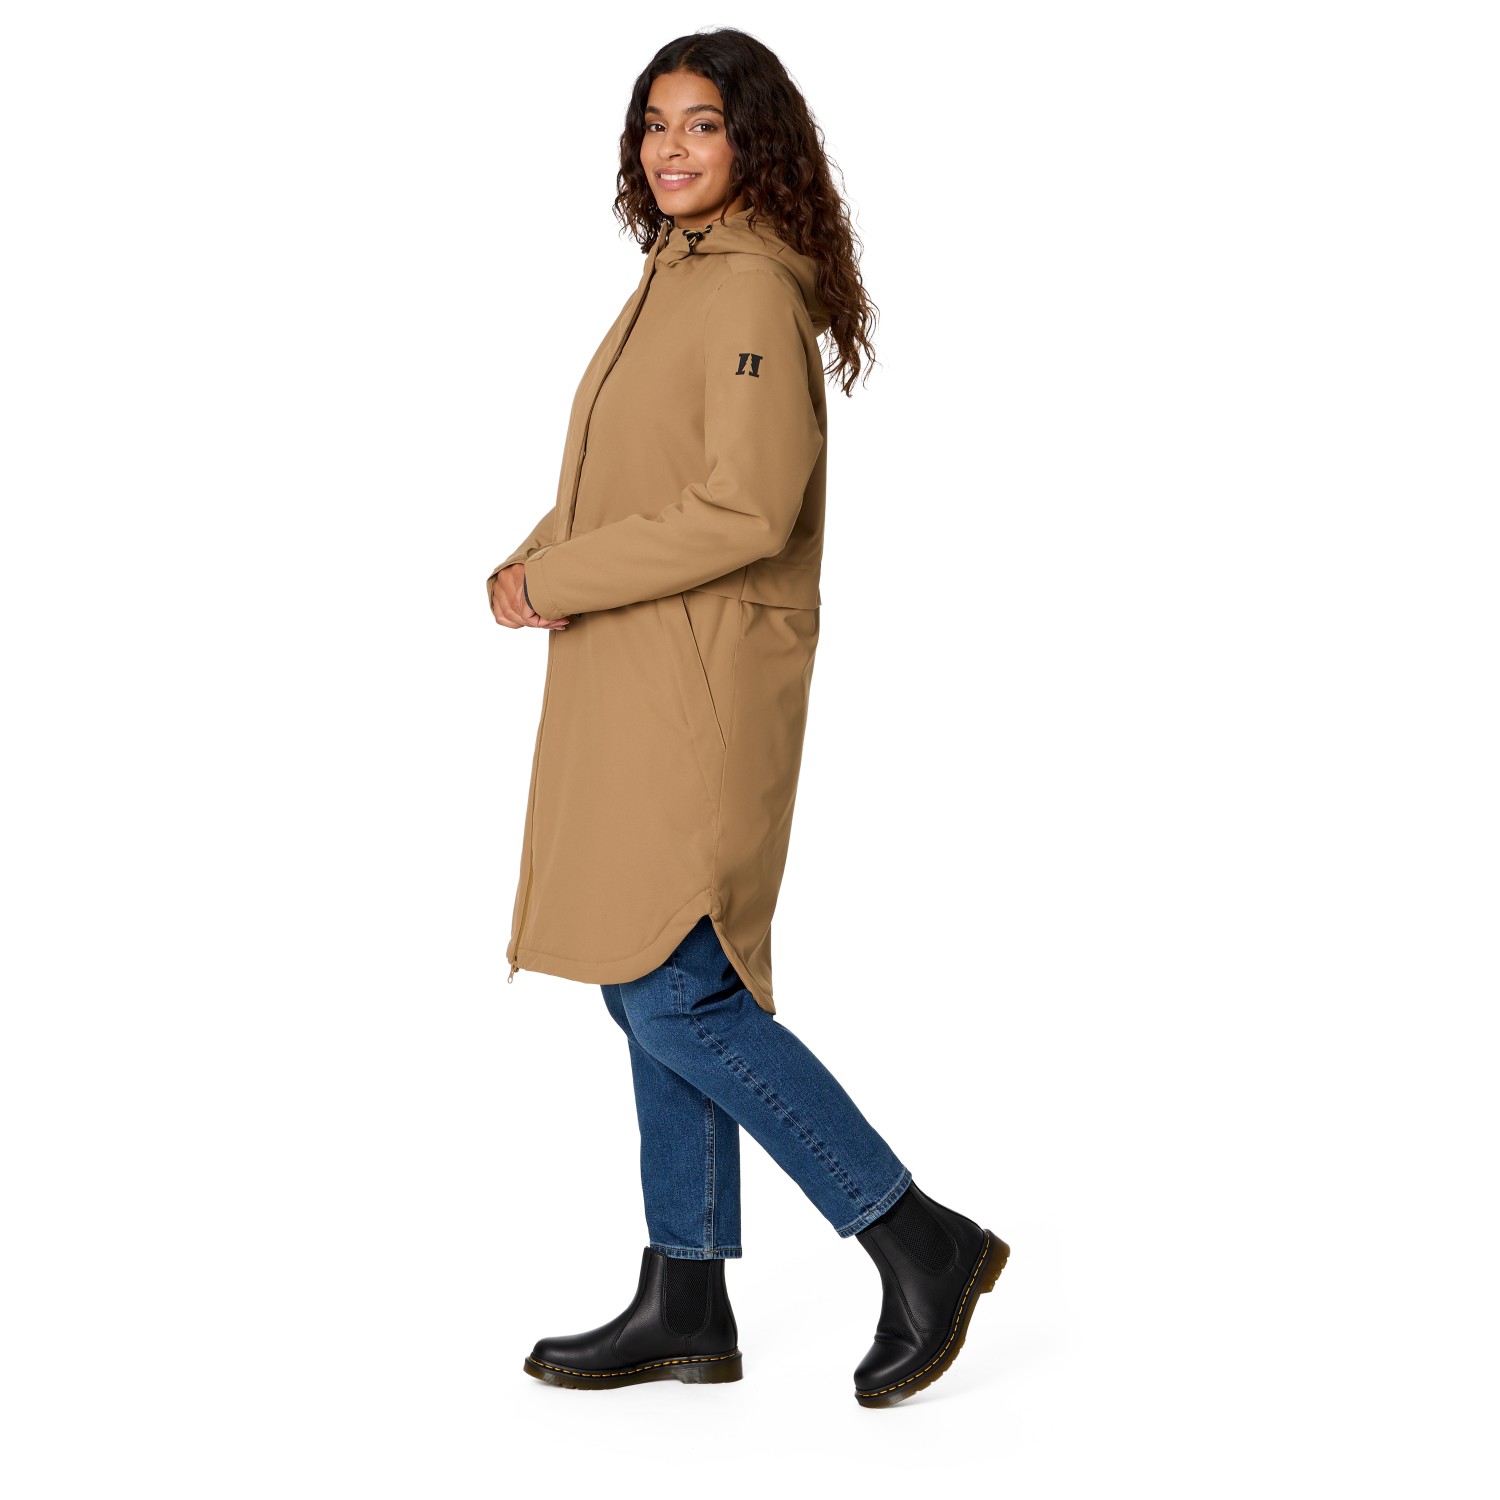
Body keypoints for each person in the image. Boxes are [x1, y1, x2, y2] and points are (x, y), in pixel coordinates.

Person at [485, 28, 1007, 1407]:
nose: (670, 148)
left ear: (751, 141)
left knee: (675, 983)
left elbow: (745, 509)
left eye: (701, 124)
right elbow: (623, 487)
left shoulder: (751, 289)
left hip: (702, 683)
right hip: (637, 671)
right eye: (653, 123)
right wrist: (533, 558)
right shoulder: (675, 275)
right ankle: (688, 1293)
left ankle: (916, 1237)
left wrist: (558, 579)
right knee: (643, 971)